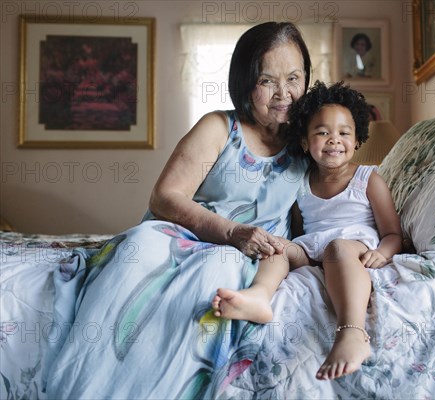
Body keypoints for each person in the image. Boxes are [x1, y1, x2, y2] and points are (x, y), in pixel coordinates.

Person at [42, 22, 312, 399]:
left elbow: (319, 215)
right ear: (245, 82)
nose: (284, 93)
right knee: (138, 253)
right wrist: (231, 232)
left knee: (214, 275)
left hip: (246, 256)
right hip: (188, 235)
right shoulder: (220, 127)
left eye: (294, 78)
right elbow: (165, 198)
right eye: (268, 80)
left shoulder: (309, 141)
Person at [212, 81, 404, 381]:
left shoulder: (368, 179)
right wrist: (289, 250)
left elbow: (393, 233)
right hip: (314, 250)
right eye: (322, 132)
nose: (333, 140)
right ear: (305, 141)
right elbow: (300, 230)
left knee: (337, 248)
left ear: (356, 141)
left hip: (353, 248)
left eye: (344, 133)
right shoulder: (301, 182)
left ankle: (352, 333)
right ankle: (260, 296)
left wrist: (382, 252)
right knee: (277, 246)